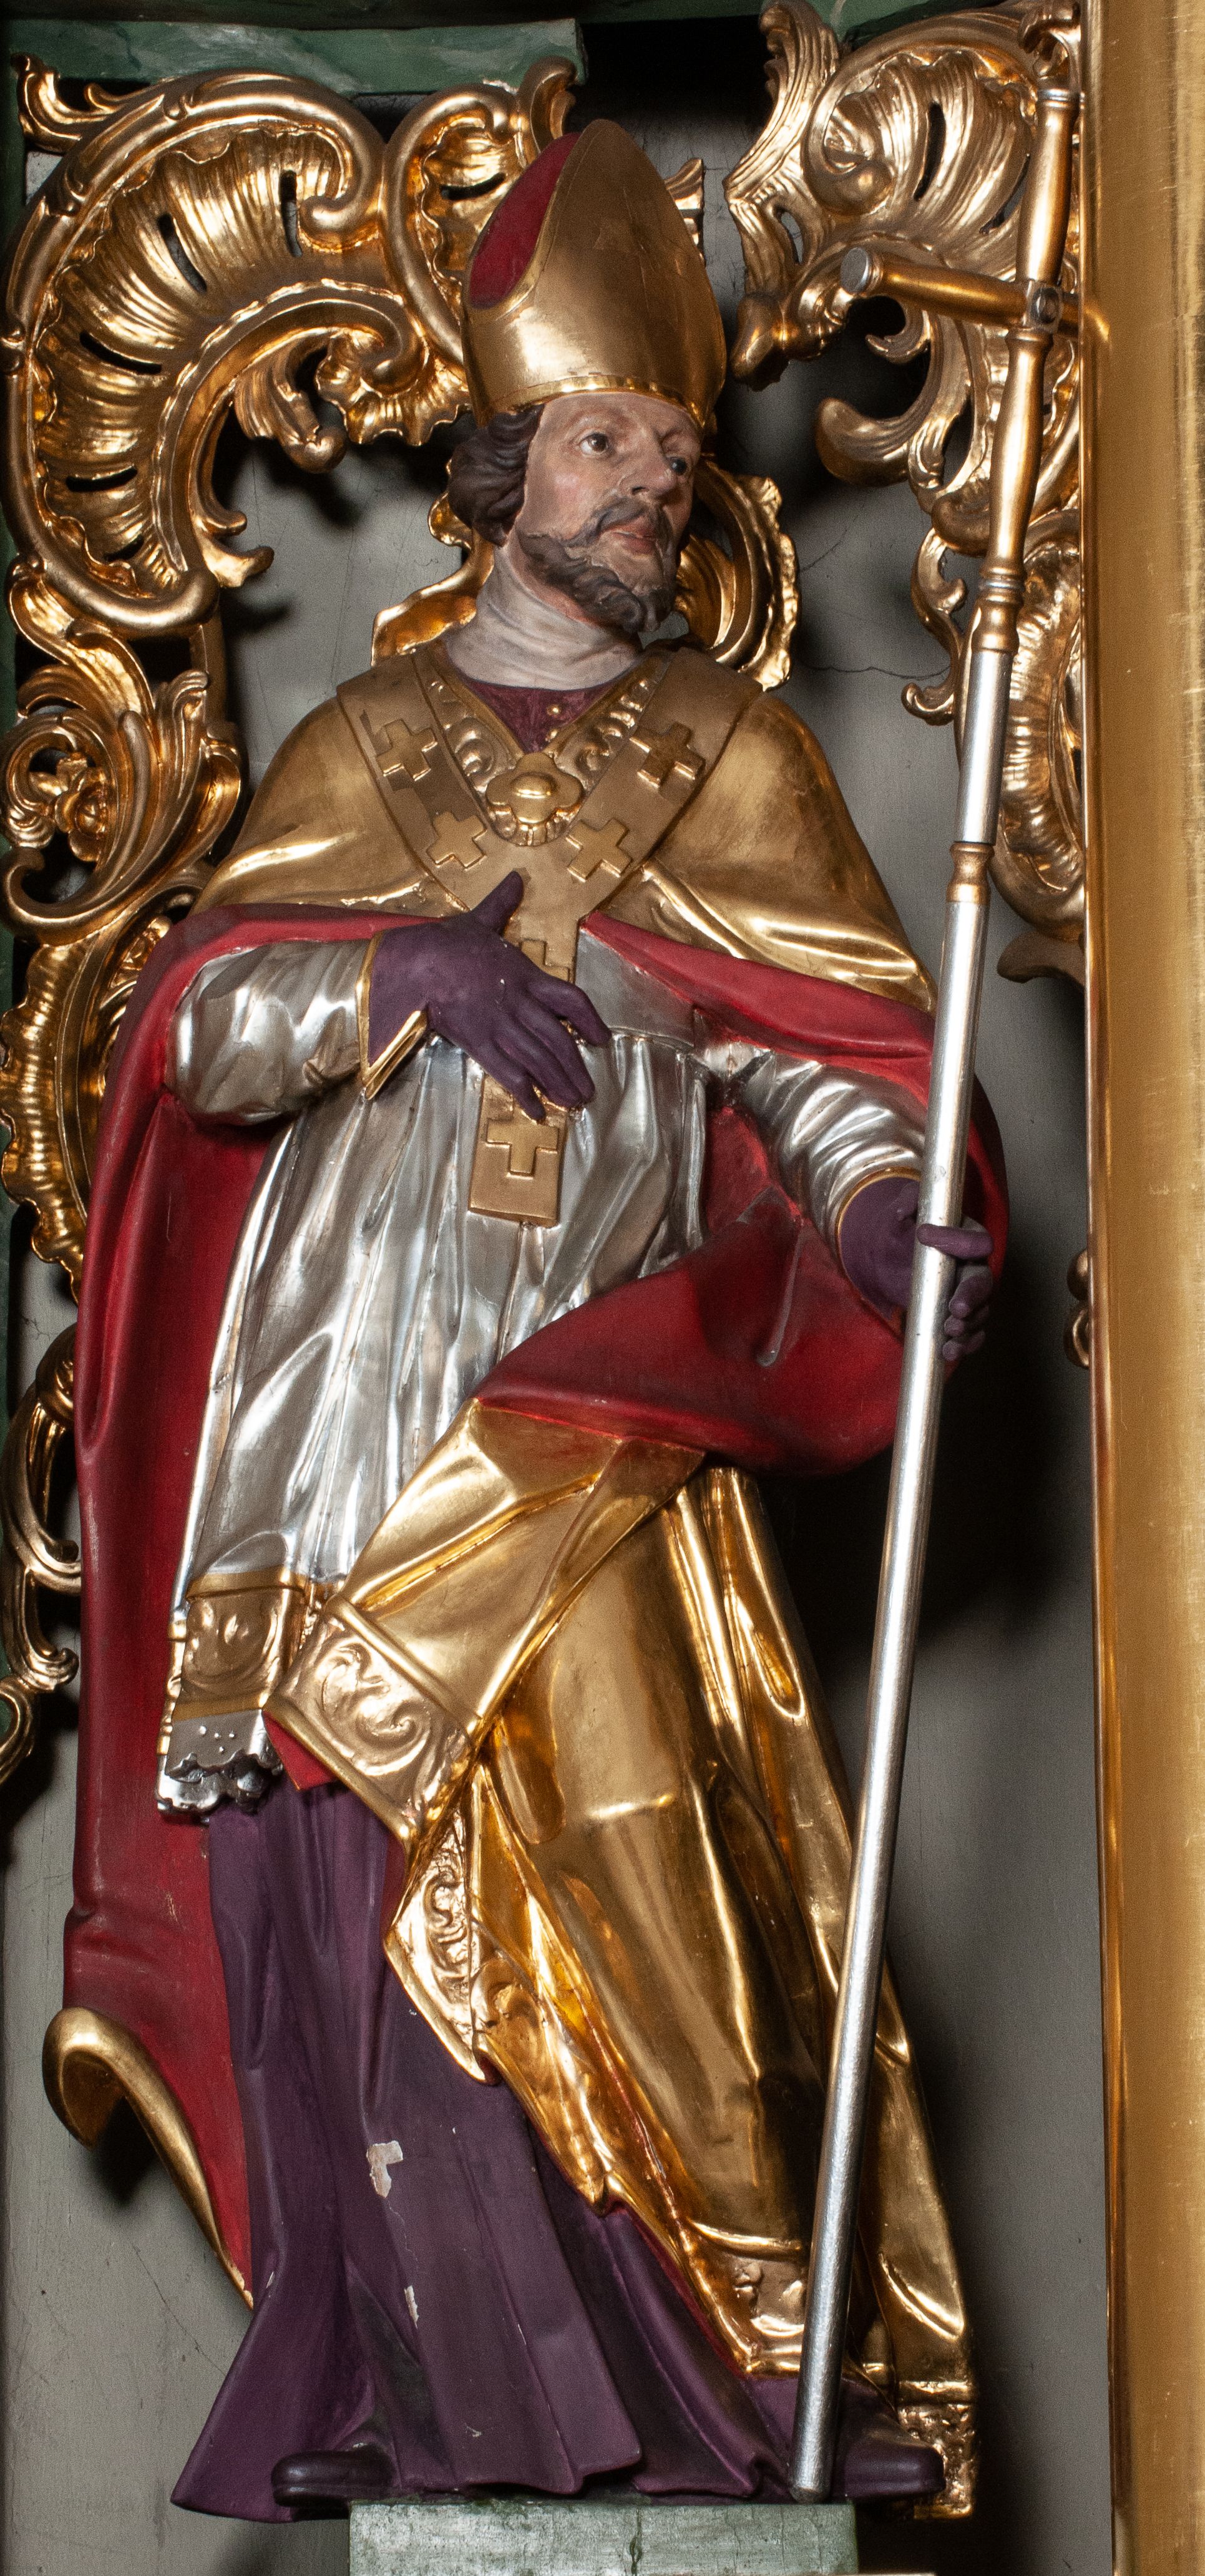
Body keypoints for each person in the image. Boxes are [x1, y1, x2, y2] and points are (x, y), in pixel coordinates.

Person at [61, 120, 1002, 2525]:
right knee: (358, 1897)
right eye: (605, 443)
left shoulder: (740, 759)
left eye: (672, 456)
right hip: (345, 1406)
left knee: (649, 1858)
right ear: (502, 470)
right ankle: (440, 2393)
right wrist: (395, 968)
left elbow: (831, 1052)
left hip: (591, 1401)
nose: (646, 488)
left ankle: (732, 2371)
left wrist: (883, 1200)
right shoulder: (361, 752)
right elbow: (201, 1035)